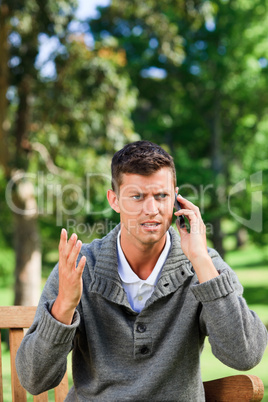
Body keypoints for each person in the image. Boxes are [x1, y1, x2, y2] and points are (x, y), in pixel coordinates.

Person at [16, 141, 267, 401]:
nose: (152, 210)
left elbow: (245, 354)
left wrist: (201, 260)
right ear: (114, 200)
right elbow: (34, 380)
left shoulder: (203, 266)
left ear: (176, 198)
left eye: (161, 196)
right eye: (137, 197)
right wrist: (64, 307)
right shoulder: (79, 268)